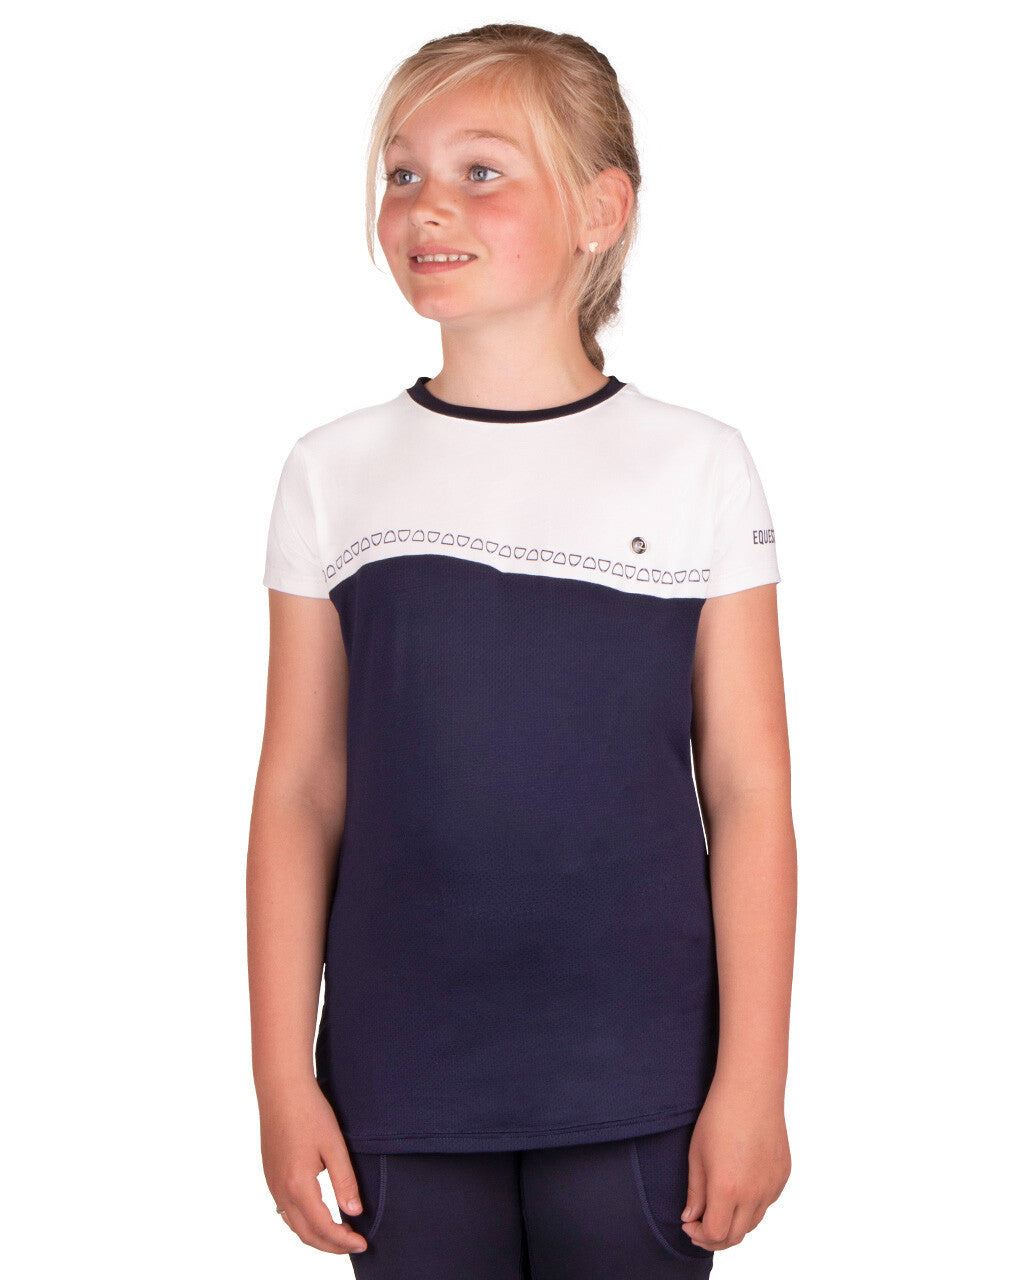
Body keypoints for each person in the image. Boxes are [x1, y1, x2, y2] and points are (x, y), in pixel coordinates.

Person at [248, 22, 796, 1279]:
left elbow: (750, 790)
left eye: (480, 170)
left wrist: (753, 1082)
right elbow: (300, 788)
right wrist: (281, 1075)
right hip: (400, 1079)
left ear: (601, 209)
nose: (425, 204)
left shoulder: (698, 464)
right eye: (401, 172)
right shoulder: (331, 472)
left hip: (642, 1077)